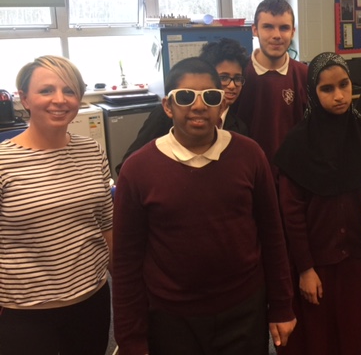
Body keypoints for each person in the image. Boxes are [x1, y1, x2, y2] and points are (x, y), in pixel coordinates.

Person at [112, 57, 296, 355]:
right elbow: (125, 263)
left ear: (222, 104)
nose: (198, 106)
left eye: (210, 97)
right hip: (171, 316)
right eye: (185, 97)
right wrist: (131, 337)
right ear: (167, 106)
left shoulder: (250, 155)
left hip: (244, 309)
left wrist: (282, 306)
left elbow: (272, 235)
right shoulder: (138, 169)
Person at [274, 52, 361, 355]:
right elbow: (291, 214)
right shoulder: (297, 144)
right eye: (327, 89)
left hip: (360, 260)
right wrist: (305, 269)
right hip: (316, 263)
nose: (339, 96)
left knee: (358, 337)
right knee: (318, 339)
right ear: (312, 91)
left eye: (344, 85)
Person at [0, 55, 113, 355]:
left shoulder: (92, 151)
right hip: (23, 315)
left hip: (92, 302)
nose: (59, 100)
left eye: (70, 91)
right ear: (23, 98)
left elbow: (106, 225)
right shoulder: (3, 162)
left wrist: (127, 291)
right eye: (46, 90)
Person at [116, 37, 249, 173]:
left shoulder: (238, 128)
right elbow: (128, 166)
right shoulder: (169, 114)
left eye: (237, 79)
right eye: (224, 78)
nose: (232, 86)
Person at [232, 0, 308, 168]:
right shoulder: (238, 74)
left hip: (292, 175)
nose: (276, 35)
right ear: (254, 30)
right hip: (247, 171)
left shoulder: (305, 75)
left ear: (293, 32)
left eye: (284, 28)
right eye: (268, 27)